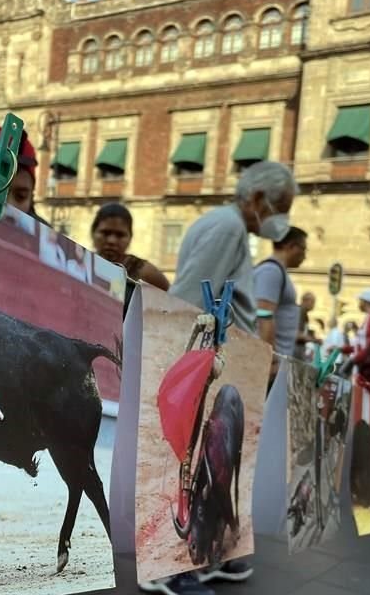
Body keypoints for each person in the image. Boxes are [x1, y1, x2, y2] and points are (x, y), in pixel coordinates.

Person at [144, 160, 296, 595]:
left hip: (226, 358)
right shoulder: (227, 227)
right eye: (280, 206)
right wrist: (199, 361)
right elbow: (193, 294)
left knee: (223, 459)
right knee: (196, 456)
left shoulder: (230, 227)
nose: (282, 217)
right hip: (211, 358)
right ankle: (171, 568)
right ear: (256, 198)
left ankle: (211, 553)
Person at [254, 226, 307, 388]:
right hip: (270, 365)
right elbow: (263, 315)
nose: (305, 256)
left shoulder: (277, 272)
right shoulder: (271, 271)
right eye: (303, 249)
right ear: (290, 246)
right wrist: (270, 359)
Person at [90, 202, 169, 290]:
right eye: (105, 233)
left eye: (120, 235)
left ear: (130, 237)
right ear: (93, 233)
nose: (111, 241)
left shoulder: (144, 271)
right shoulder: (80, 263)